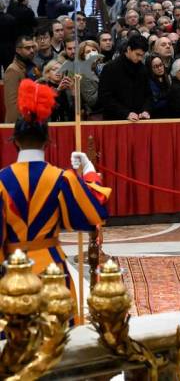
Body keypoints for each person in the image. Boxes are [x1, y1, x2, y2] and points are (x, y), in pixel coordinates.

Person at [0, 79, 111, 302]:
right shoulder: (62, 179)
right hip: (52, 271)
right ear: (48, 142)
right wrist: (89, 171)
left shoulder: (0, 181)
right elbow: (95, 212)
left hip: (11, 271)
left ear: (15, 142)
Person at [97, 34, 153, 121]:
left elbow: (148, 94)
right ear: (129, 49)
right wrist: (125, 113)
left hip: (139, 119)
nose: (140, 58)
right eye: (137, 54)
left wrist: (146, 110)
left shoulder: (142, 69)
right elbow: (104, 97)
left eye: (142, 55)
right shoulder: (111, 68)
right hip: (115, 120)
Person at [4, 35, 40, 123]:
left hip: (33, 120)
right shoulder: (12, 70)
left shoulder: (33, 67)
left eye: (33, 47)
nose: (32, 50)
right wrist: (19, 127)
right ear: (18, 50)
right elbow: (12, 105)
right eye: (27, 48)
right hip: (19, 124)